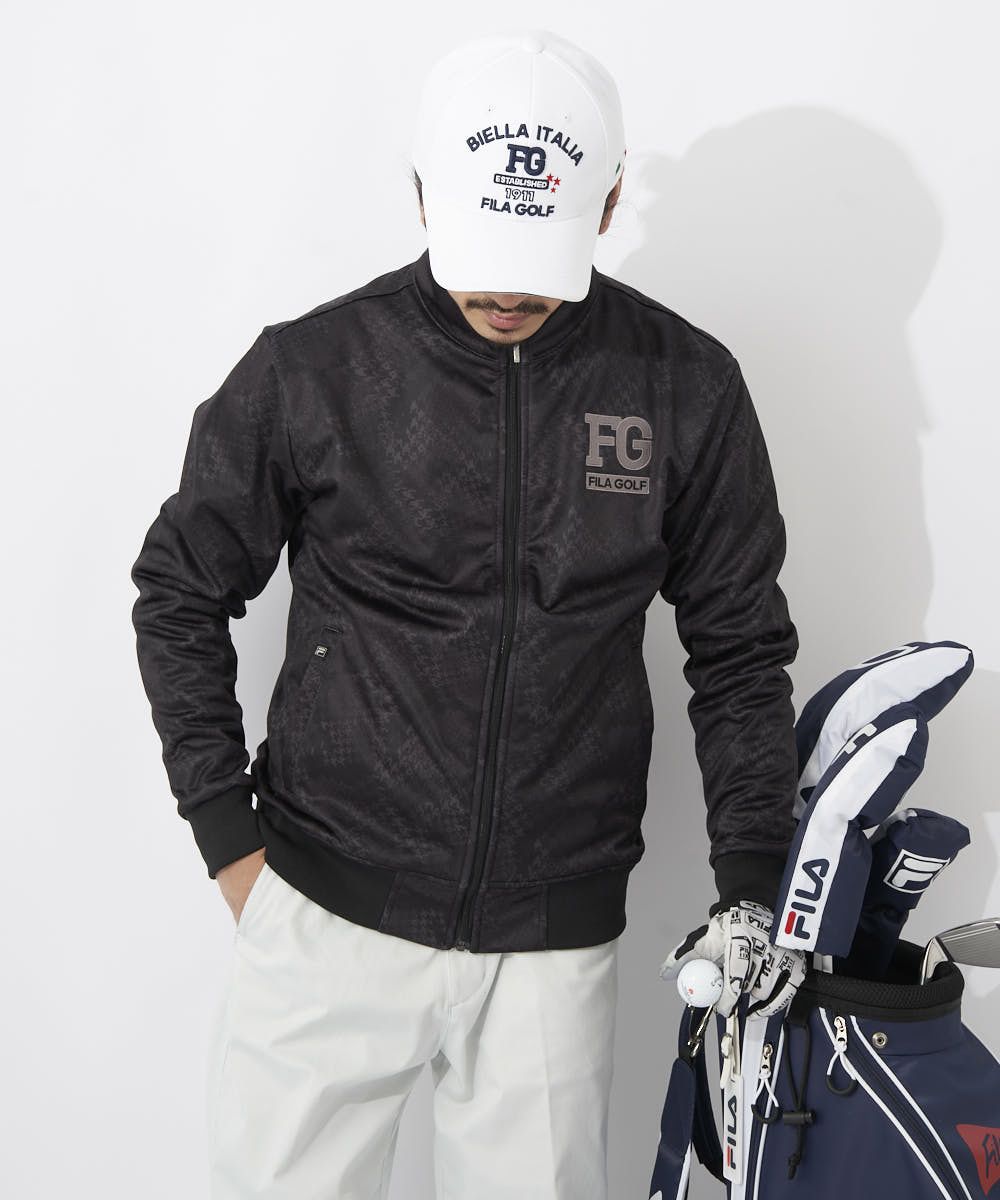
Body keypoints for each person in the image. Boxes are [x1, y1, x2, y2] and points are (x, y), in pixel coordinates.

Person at [130, 27, 805, 1200]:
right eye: (481, 251)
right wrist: (226, 837)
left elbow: (738, 648)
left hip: (550, 945)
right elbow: (181, 588)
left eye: (537, 261)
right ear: (422, 195)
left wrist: (751, 882)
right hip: (324, 913)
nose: (503, 293)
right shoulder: (314, 370)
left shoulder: (682, 385)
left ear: (608, 201)